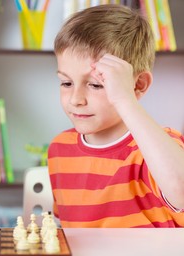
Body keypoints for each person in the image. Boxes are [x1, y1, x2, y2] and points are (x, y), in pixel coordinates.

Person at [48, 4, 184, 227]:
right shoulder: (59, 149)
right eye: (66, 82)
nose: (75, 99)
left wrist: (125, 100)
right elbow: (66, 233)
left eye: (95, 84)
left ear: (138, 85)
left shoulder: (158, 147)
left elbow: (181, 190)